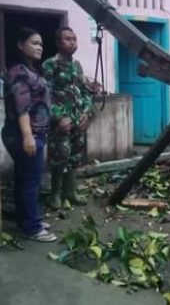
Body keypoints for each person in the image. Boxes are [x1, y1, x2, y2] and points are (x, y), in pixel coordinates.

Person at [1, 27, 57, 242]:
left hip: (33, 133)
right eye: (34, 43)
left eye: (41, 44)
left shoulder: (31, 71)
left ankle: (27, 220)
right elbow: (21, 107)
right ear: (20, 45)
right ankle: (32, 227)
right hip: (24, 134)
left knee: (24, 179)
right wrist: (28, 136)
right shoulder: (19, 73)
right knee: (31, 182)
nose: (39, 47)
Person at [42, 27, 94, 209]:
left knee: (75, 156)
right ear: (58, 42)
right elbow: (45, 95)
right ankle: (55, 195)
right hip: (61, 122)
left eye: (74, 38)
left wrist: (87, 113)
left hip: (78, 120)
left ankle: (71, 192)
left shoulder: (77, 66)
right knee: (59, 157)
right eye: (67, 39)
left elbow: (84, 92)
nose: (72, 42)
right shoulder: (50, 64)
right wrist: (58, 117)